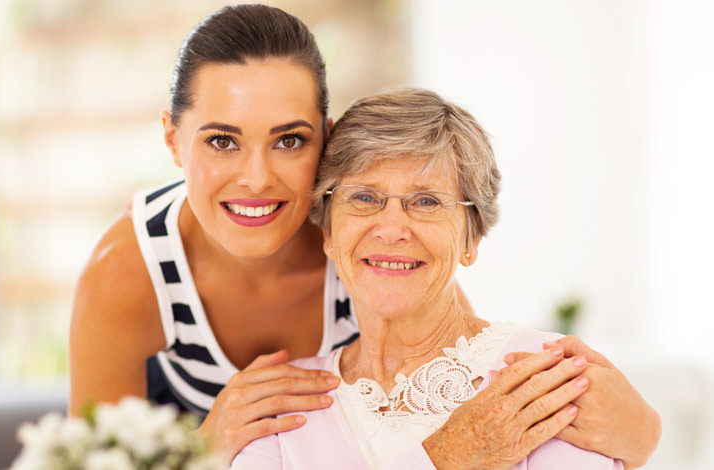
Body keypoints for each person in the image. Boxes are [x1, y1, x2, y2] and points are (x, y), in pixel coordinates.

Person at [68, 4, 660, 467]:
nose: (256, 178)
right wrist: (205, 449)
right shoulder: (129, 270)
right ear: (173, 139)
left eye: (289, 139)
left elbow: (454, 356)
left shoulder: (361, 238)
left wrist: (643, 432)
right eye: (222, 140)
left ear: (324, 138)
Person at [234, 87, 627, 469]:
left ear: (471, 238)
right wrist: (444, 458)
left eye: (426, 201)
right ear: (329, 234)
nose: (390, 229)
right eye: (364, 197)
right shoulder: (279, 404)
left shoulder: (543, 378)